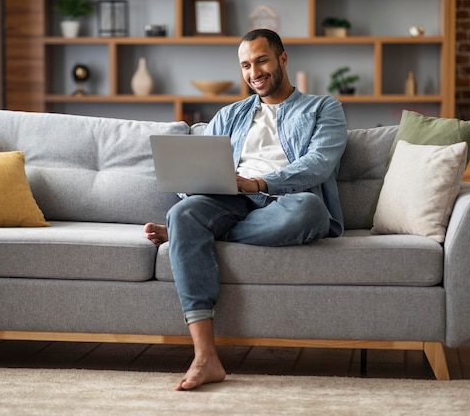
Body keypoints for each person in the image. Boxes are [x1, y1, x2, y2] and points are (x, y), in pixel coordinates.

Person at [144, 28, 348, 391]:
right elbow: (193, 165)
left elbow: (319, 163)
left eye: (261, 60)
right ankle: (205, 357)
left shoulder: (322, 107)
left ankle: (188, 237)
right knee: (182, 212)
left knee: (311, 211)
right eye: (245, 65)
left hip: (285, 201)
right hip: (230, 199)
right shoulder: (229, 115)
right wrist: (192, 182)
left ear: (282, 59)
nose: (254, 71)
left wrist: (258, 183)